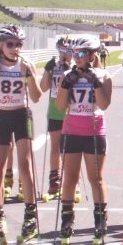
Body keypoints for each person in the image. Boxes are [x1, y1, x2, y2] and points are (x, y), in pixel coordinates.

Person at [0, 25, 43, 245]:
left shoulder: (26, 63)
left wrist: (29, 75)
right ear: (1, 45)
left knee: (25, 165)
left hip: (21, 114)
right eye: (11, 44)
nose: (16, 48)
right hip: (0, 116)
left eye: (19, 44)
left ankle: (30, 216)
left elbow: (37, 97)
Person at [55, 35, 113, 245]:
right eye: (74, 53)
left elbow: (104, 104)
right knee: (70, 178)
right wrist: (66, 85)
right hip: (71, 130)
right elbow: (60, 106)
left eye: (81, 54)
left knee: (96, 178)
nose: (76, 57)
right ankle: (67, 221)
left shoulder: (104, 75)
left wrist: (94, 82)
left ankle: (100, 221)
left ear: (91, 55)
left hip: (94, 131)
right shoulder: (66, 75)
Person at [39, 36, 73, 200]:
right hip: (55, 109)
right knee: (56, 147)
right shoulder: (54, 65)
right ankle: (55, 181)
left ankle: (73, 183)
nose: (65, 54)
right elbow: (43, 88)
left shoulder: (76, 65)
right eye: (62, 50)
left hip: (72, 110)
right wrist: (48, 70)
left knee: (70, 149)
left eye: (68, 51)